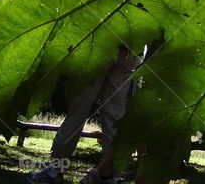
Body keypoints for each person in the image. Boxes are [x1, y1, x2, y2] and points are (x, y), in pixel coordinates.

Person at [28, 47, 138, 184]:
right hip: (130, 48)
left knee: (80, 108)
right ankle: (110, 175)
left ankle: (55, 170)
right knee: (114, 114)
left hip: (102, 46)